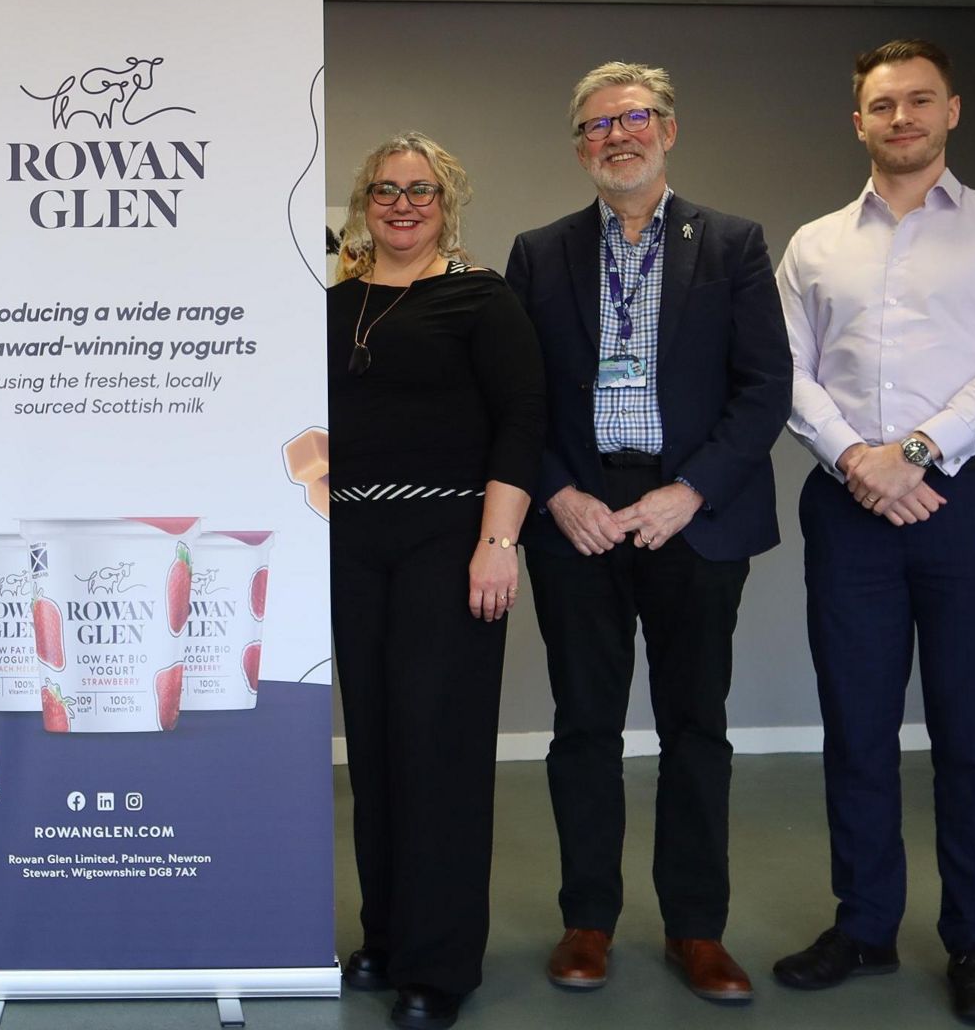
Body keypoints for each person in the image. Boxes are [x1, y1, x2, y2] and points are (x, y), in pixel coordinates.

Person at [772, 39, 975, 1029]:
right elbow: (784, 371)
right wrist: (859, 459)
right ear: (854, 121)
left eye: (916, 101)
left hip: (972, 506)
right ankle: (862, 926)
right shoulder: (814, 244)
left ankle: (974, 947)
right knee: (855, 730)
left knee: (969, 735)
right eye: (878, 104)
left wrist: (916, 447)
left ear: (950, 110)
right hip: (847, 505)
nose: (898, 118)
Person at [505, 62, 790, 1005]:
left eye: (632, 119)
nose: (613, 137)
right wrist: (556, 495)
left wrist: (690, 493)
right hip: (579, 523)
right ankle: (587, 919)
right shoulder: (539, 254)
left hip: (692, 522)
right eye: (593, 126)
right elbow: (517, 402)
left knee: (695, 730)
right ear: (578, 145)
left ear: (668, 128)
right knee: (584, 729)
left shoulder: (736, 245)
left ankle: (696, 929)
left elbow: (764, 392)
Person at [329, 132, 544, 1030]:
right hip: (349, 539)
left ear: (446, 201)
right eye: (386, 189)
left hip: (448, 537)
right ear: (363, 201)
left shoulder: (481, 297)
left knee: (438, 748)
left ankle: (441, 962)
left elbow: (524, 420)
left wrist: (500, 542)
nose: (402, 203)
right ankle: (386, 935)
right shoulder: (334, 302)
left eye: (420, 190)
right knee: (374, 744)